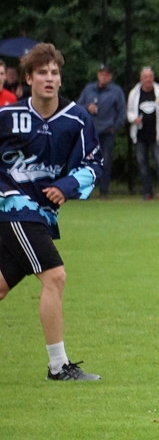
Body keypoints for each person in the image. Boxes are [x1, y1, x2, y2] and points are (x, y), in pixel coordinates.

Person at [0, 42, 103, 380]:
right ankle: (58, 366)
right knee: (55, 276)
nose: (49, 78)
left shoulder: (76, 118)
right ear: (28, 78)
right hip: (13, 208)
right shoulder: (8, 116)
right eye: (41, 72)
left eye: (54, 72)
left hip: (41, 216)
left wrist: (67, 186)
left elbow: (94, 163)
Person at [77, 64, 126, 198]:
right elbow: (77, 106)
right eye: (101, 74)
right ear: (98, 75)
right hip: (90, 132)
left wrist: (115, 127)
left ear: (110, 77)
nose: (103, 77)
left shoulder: (116, 91)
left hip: (107, 132)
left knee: (106, 161)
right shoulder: (89, 89)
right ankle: (86, 191)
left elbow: (122, 112)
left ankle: (104, 191)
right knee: (86, 161)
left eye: (106, 74)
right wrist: (87, 107)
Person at [126, 66, 159, 200]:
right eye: (145, 77)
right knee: (142, 165)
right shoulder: (134, 93)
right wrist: (134, 119)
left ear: (153, 78)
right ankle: (147, 192)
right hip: (140, 136)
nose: (148, 80)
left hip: (156, 136)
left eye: (150, 77)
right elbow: (129, 112)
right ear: (141, 78)